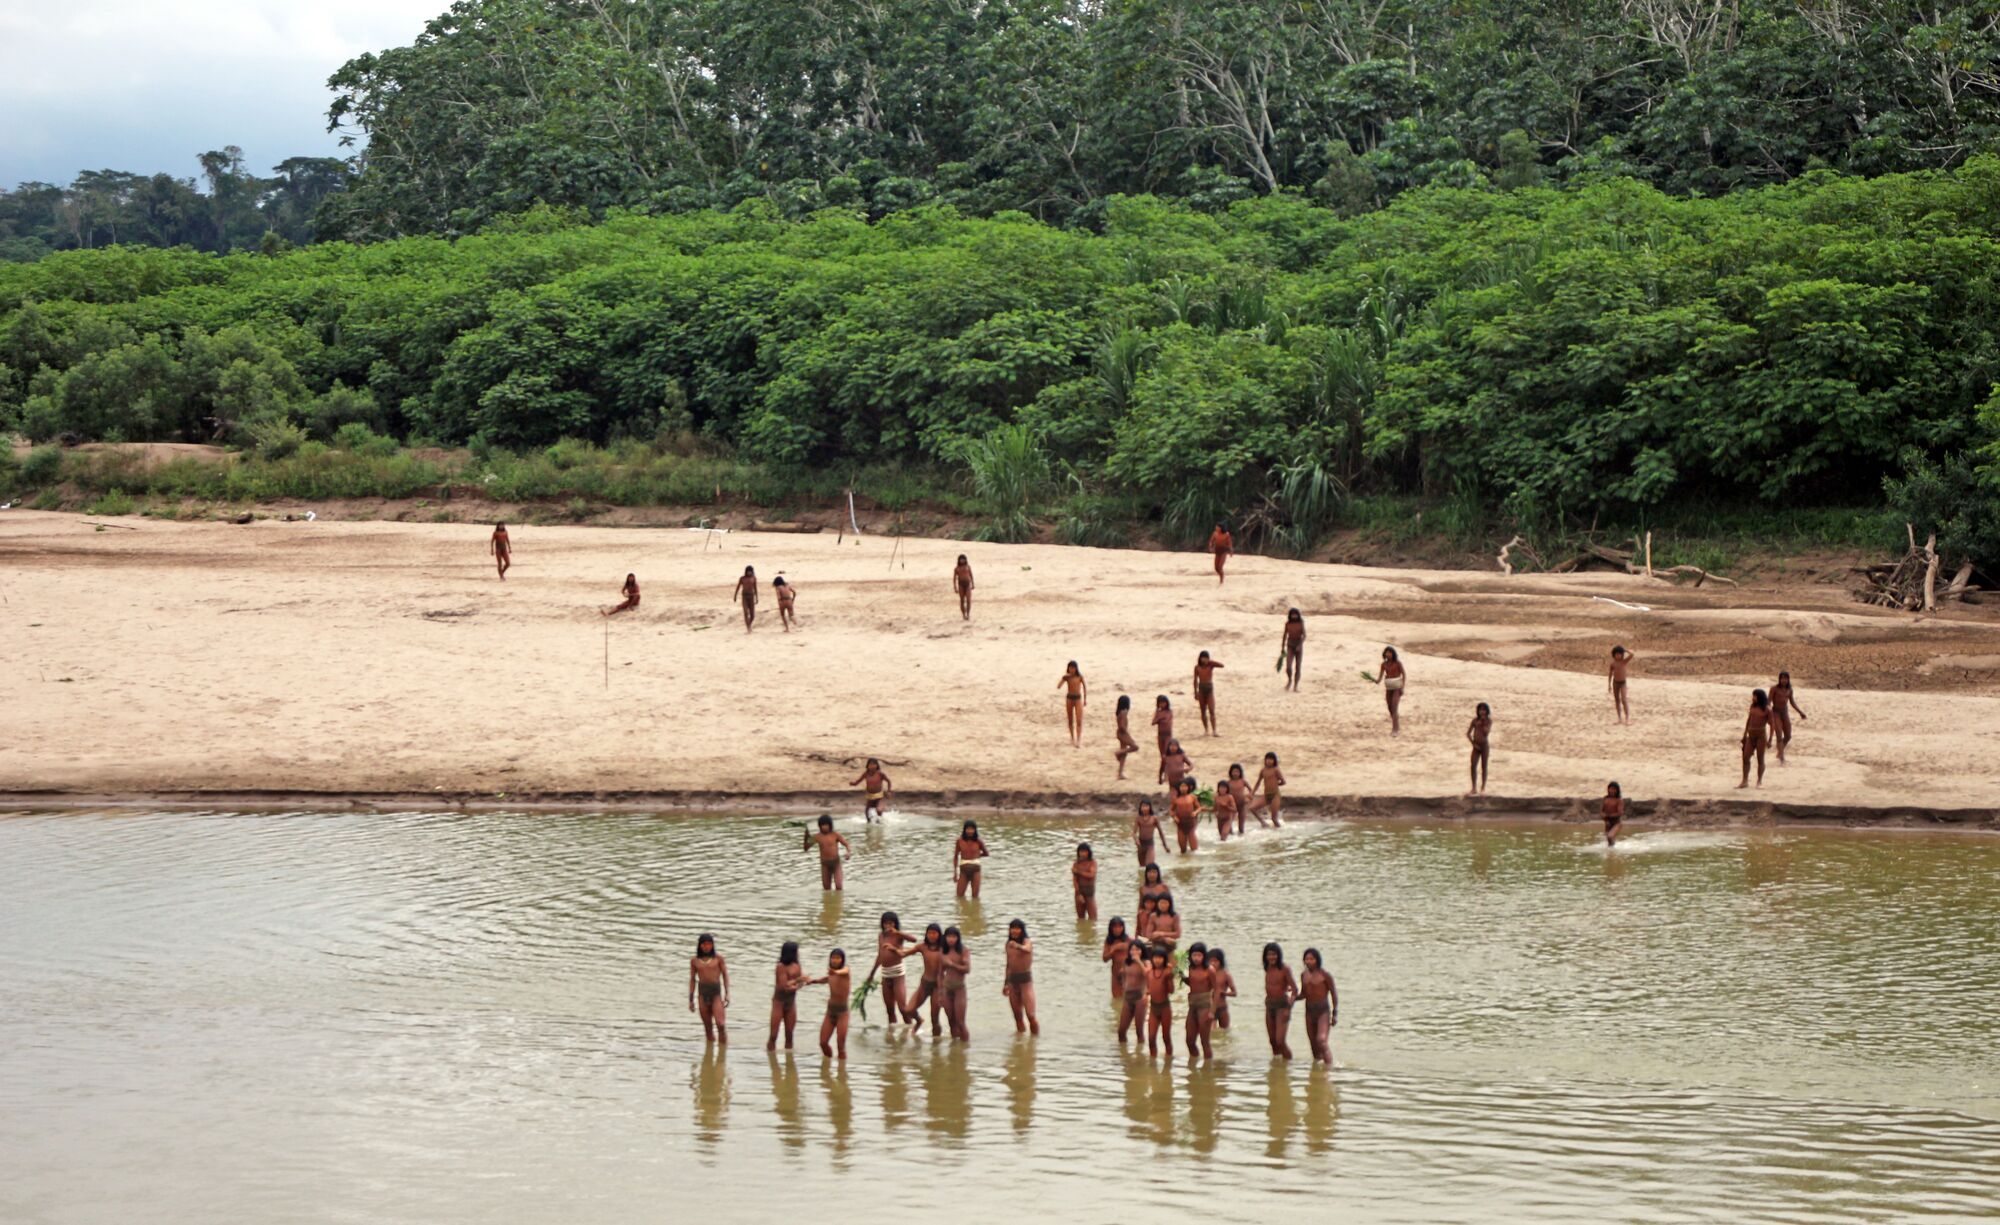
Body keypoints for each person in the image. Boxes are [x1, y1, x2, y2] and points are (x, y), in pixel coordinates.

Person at [865, 911, 922, 1027]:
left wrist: (897, 932)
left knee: (902, 1008)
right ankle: (892, 1033)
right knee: (890, 1009)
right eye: (886, 924)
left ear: (895, 924)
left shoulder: (898, 935)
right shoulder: (881, 936)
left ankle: (911, 1028)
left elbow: (913, 940)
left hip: (898, 974)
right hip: (885, 974)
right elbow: (880, 955)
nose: (888, 927)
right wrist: (872, 973)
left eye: (891, 924)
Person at [767, 941, 813, 1051]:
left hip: (791, 1002)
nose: (798, 954)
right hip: (779, 1003)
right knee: (773, 1035)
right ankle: (771, 1057)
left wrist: (804, 981)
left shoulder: (797, 966)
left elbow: (798, 983)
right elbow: (784, 986)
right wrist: (798, 981)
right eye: (797, 952)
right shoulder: (781, 967)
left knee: (789, 1034)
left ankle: (789, 1061)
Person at [905, 923, 946, 1037]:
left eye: (935, 933)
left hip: (938, 986)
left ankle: (935, 1046)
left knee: (934, 1018)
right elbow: (905, 953)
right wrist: (894, 950)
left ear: (939, 935)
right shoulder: (923, 947)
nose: (932, 936)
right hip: (925, 984)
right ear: (926, 934)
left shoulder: (944, 949)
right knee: (909, 1010)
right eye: (930, 933)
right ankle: (919, 1020)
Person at [1299, 948, 1338, 1065]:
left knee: (1321, 1040)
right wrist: (1291, 999)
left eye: (1311, 959)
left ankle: (1330, 1067)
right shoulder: (1303, 975)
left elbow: (1333, 994)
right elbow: (1303, 994)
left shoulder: (1325, 975)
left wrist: (1334, 1014)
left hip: (1323, 1012)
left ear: (1317, 960)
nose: (1309, 961)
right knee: (1313, 1046)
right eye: (1307, 959)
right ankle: (1317, 1074)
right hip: (1309, 1012)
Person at [689, 933, 730, 1044]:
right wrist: (691, 999)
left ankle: (723, 1051)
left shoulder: (718, 958)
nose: (706, 947)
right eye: (704, 944)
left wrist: (727, 994)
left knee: (720, 1024)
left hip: (716, 994)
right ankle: (710, 1055)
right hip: (702, 994)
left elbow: (725, 975)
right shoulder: (695, 961)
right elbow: (692, 979)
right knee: (708, 1027)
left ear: (712, 945)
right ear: (700, 945)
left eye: (709, 944)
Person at [1002, 919, 1039, 1035]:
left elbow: (1027, 949)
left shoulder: (1026, 941)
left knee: (1031, 1015)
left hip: (1025, 982)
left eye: (1017, 928)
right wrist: (1006, 983)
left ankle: (1034, 1042)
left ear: (1022, 930)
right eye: (1012, 928)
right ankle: (1020, 1042)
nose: (1014, 931)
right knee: (1017, 1016)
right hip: (1013, 982)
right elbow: (1008, 965)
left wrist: (1017, 946)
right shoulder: (1008, 945)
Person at [1263, 943, 1298, 1060]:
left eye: (1274, 954)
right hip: (1269, 1005)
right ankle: (1277, 1065)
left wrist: (1289, 1008)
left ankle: (1289, 1063)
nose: (1271, 957)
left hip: (1282, 1006)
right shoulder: (1267, 967)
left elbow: (1295, 989)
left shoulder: (1285, 969)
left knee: (1280, 1040)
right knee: (1272, 1040)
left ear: (1279, 956)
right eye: (1269, 955)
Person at [1184, 943, 1218, 1061]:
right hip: (1192, 1005)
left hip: (1205, 1006)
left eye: (1199, 955)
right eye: (1194, 955)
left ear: (1204, 956)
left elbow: (1217, 991)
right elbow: (1192, 983)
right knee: (1189, 1040)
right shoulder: (1189, 968)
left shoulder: (1209, 970)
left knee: (1204, 1041)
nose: (1197, 958)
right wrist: (1181, 975)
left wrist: (1212, 1012)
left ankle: (1208, 1071)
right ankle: (1194, 1063)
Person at [819, 948, 853, 1059]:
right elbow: (825, 979)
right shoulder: (830, 974)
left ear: (842, 960)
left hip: (842, 1014)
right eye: (833, 958)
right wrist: (811, 981)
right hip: (830, 1013)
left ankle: (842, 1072)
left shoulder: (845, 971)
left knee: (840, 1046)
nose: (834, 960)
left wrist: (836, 972)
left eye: (838, 958)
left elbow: (844, 971)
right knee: (823, 1043)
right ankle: (827, 1063)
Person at [939, 926, 971, 1041]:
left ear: (958, 938)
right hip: (947, 988)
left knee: (960, 1022)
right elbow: (940, 973)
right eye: (949, 936)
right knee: (951, 1021)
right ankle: (955, 1050)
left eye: (954, 936)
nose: (951, 939)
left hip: (959, 989)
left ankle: (965, 1048)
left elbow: (967, 969)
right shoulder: (943, 951)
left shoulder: (963, 951)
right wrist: (940, 993)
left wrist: (952, 964)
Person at [803, 814, 851, 891]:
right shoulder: (817, 837)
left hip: (836, 863)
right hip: (825, 864)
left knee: (839, 886)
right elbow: (806, 848)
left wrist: (848, 852)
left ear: (830, 825)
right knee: (826, 888)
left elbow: (846, 844)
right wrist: (806, 838)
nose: (824, 827)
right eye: (822, 825)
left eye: (826, 825)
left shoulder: (835, 835)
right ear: (819, 826)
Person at [1145, 944, 1177, 1057]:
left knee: (1166, 1037)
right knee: (1151, 1038)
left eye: (1160, 958)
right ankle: (1152, 1062)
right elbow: (1148, 989)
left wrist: (1169, 978)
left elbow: (1171, 991)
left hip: (1164, 1008)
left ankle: (1169, 1061)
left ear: (1164, 959)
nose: (1157, 960)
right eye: (1155, 957)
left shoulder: (1166, 973)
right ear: (1152, 958)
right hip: (1153, 1008)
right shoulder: (1149, 972)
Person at [1771, 671, 1807, 763]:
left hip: (1784, 712)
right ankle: (1782, 757)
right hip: (1776, 713)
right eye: (1782, 678)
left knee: (1788, 736)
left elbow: (1792, 702)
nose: (1784, 680)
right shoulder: (1774, 689)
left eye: (1786, 679)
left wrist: (1800, 712)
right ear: (1779, 679)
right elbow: (1768, 701)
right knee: (1779, 735)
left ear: (1788, 679)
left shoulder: (1789, 690)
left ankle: (1780, 750)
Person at [1117, 941, 1149, 1044]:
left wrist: (1139, 961)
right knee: (1121, 1032)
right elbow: (1122, 975)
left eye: (1137, 949)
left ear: (1142, 951)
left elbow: (1147, 974)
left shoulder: (1146, 962)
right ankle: (1123, 1056)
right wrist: (1123, 984)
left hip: (1140, 998)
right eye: (1132, 949)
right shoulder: (1127, 962)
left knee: (1139, 1032)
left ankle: (1140, 1056)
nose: (1134, 952)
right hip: (1128, 997)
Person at [1740, 688, 1771, 789]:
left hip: (1761, 736)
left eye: (1755, 696)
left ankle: (1759, 781)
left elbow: (1772, 725)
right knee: (1745, 757)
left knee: (1760, 759)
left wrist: (1770, 740)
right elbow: (1749, 720)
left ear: (1760, 697)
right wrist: (1744, 734)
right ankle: (1745, 780)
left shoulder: (1767, 709)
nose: (1753, 698)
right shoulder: (1752, 707)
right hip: (1751, 735)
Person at [954, 820, 990, 900]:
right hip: (963, 871)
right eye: (968, 829)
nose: (970, 831)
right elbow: (956, 857)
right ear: (964, 830)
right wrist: (955, 873)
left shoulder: (978, 841)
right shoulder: (959, 841)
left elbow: (986, 853)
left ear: (975, 830)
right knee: (959, 897)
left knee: (975, 897)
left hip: (976, 871)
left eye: (972, 829)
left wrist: (977, 856)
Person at [1193, 651, 1225, 736]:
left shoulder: (1210, 665)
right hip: (1201, 689)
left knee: (1212, 710)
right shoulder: (1197, 667)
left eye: (1207, 658)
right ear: (1200, 658)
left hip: (1209, 688)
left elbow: (1222, 665)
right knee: (1203, 711)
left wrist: (1211, 662)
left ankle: (1214, 730)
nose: (1205, 660)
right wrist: (1195, 692)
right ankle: (1206, 730)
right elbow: (1195, 680)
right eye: (1204, 658)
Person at [1249, 752, 1286, 825]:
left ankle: (1278, 831)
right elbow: (1258, 782)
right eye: (1267, 759)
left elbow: (1283, 782)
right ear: (1265, 760)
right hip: (1266, 795)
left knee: (1274, 819)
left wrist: (1276, 784)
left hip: (1275, 795)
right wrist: (1252, 793)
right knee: (1252, 808)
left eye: (1271, 759)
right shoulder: (1263, 770)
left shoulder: (1276, 770)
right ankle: (1263, 822)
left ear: (1274, 761)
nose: (1269, 761)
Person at [1057, 661, 1088, 748]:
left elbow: (1085, 688)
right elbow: (1058, 686)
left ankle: (1078, 740)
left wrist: (1085, 699)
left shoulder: (1080, 677)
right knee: (1070, 719)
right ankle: (1072, 738)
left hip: (1078, 699)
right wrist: (1064, 678)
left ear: (1076, 668)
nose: (1072, 670)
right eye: (1070, 668)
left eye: (1073, 668)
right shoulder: (1067, 677)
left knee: (1079, 720)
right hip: (1069, 699)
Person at [1102, 917, 1133, 1000]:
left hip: (1128, 973)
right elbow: (1105, 959)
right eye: (1115, 927)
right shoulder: (1109, 941)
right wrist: (1114, 949)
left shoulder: (1128, 940)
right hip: (1115, 974)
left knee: (1128, 1000)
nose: (1118, 929)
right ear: (1111, 928)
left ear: (1123, 928)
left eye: (1120, 927)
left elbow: (1137, 955)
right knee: (1116, 1000)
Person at [1378, 646, 1406, 735]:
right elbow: (1379, 678)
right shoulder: (1384, 664)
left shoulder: (1398, 663)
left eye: (1390, 652)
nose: (1388, 654)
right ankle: (1396, 723)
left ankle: (1395, 729)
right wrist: (1373, 680)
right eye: (1387, 652)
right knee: (1390, 707)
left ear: (1393, 654)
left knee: (1394, 706)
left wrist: (1402, 686)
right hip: (1389, 688)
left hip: (1397, 687)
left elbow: (1404, 674)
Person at [1170, 778, 1202, 854]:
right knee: (1183, 851)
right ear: (1179, 788)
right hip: (1180, 825)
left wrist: (1195, 812)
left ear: (1188, 788)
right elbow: (1171, 810)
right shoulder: (1176, 799)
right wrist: (1174, 817)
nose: (1183, 788)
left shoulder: (1192, 797)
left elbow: (1199, 807)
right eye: (1181, 787)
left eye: (1185, 786)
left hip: (1190, 824)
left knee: (1195, 851)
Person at [1466, 701, 1492, 795]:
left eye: (1484, 710)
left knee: (1484, 766)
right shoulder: (1475, 721)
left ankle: (1483, 788)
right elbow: (1468, 734)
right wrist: (1473, 744)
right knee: (1473, 765)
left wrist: (1483, 723)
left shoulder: (1488, 721)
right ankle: (1474, 788)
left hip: (1484, 745)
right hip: (1476, 745)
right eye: (1480, 710)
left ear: (1487, 711)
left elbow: (1486, 733)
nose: (1482, 712)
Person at [1137, 863, 1171, 934]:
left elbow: (1169, 904)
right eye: (1149, 872)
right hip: (1147, 916)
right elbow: (1141, 905)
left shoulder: (1164, 887)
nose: (1152, 875)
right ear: (1146, 874)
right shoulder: (1143, 888)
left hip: (1160, 915)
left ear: (1158, 874)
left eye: (1154, 872)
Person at [1210, 947, 1237, 1031]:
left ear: (1220, 961)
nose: (1213, 963)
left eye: (1215, 961)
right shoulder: (1207, 973)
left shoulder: (1226, 975)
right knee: (1211, 1033)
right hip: (1210, 1008)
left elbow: (1234, 993)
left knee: (1225, 1032)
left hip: (1222, 1008)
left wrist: (1224, 993)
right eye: (1211, 961)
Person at [1114, 695, 1140, 780]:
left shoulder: (1119, 712)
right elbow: (1122, 726)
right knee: (1135, 747)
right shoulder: (1124, 712)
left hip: (1120, 733)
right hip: (1122, 733)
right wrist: (1127, 733)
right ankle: (1118, 753)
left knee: (1124, 754)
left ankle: (1120, 773)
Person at [1279, 609, 1305, 691]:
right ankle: (1290, 680)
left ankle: (1295, 685)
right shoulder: (1288, 624)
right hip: (1290, 645)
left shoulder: (1301, 623)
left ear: (1298, 615)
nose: (1294, 616)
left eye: (1295, 614)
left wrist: (1300, 645)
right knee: (1288, 666)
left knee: (1298, 666)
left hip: (1298, 645)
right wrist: (1282, 647)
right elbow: (1285, 635)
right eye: (1292, 614)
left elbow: (1304, 635)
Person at [1609, 646, 1636, 724]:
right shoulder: (1613, 664)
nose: (1618, 656)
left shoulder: (1624, 661)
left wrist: (1625, 650)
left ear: (1622, 654)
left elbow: (1632, 654)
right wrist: (1609, 684)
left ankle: (1627, 718)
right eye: (1616, 654)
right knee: (1617, 700)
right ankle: (1619, 718)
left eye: (1620, 654)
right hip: (1615, 683)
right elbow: (1610, 674)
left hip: (1623, 683)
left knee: (1624, 700)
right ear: (1614, 655)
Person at [1072, 843, 1098, 920]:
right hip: (1079, 891)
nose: (1082, 854)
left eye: (1084, 851)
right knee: (1080, 918)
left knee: (1093, 917)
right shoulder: (1076, 864)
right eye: (1081, 852)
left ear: (1088, 852)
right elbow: (1074, 880)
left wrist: (1079, 872)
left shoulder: (1092, 863)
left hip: (1089, 891)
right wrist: (1078, 893)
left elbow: (1091, 875)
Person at [1228, 763, 1256, 832]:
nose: (1235, 773)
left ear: (1240, 773)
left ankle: (1241, 836)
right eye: (1234, 771)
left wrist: (1249, 798)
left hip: (1242, 804)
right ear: (1230, 772)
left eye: (1237, 772)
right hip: (1232, 806)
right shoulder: (1228, 783)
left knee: (1241, 826)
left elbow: (1251, 791)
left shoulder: (1243, 781)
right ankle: (1230, 836)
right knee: (1229, 823)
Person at [1133, 800, 1162, 868]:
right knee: (1142, 868)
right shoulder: (1138, 818)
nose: (1145, 808)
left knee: (1149, 866)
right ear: (1140, 808)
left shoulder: (1154, 818)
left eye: (1146, 806)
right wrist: (1136, 840)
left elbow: (1160, 832)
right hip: (1141, 845)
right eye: (1143, 806)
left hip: (1150, 844)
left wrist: (1165, 845)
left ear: (1150, 807)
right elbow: (1134, 833)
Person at [732, 565, 758, 632]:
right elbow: (738, 587)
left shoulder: (754, 578)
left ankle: (749, 625)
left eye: (750, 572)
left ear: (752, 572)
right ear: (746, 572)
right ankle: (748, 628)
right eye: (748, 572)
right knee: (746, 612)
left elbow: (755, 588)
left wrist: (757, 597)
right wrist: (735, 596)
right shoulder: (742, 578)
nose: (749, 573)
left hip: (751, 596)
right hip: (744, 596)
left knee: (752, 615)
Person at [1600, 781, 1626, 847]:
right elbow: (1601, 811)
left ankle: (1612, 852)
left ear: (1617, 790)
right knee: (1609, 841)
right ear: (1608, 789)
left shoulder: (1619, 800)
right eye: (1611, 789)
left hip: (1617, 823)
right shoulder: (1605, 799)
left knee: (1610, 836)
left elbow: (1620, 813)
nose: (1612, 791)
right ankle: (1612, 855)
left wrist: (1608, 815)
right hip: (1608, 823)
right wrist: (1605, 820)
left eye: (1614, 789)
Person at [1150, 695, 1174, 760]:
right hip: (1160, 735)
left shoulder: (1169, 711)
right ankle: (1163, 769)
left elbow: (1166, 721)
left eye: (1163, 703)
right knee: (1162, 755)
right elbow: (1153, 722)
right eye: (1160, 703)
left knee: (1166, 753)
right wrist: (1160, 718)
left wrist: (1159, 719)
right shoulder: (1158, 712)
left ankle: (1166, 768)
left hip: (1168, 735)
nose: (1162, 704)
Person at [1214, 778, 1237, 843]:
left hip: (1227, 819)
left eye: (1224, 788)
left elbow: (1235, 809)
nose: (1222, 789)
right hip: (1219, 820)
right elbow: (1214, 809)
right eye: (1221, 788)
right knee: (1221, 837)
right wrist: (1203, 809)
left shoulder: (1229, 797)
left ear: (1227, 789)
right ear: (1218, 788)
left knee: (1223, 838)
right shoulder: (1216, 797)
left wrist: (1226, 806)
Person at [953, 554, 975, 620]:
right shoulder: (957, 568)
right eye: (961, 559)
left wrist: (973, 584)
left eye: (963, 559)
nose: (962, 560)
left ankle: (968, 614)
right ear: (959, 560)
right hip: (961, 585)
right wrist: (955, 587)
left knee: (968, 600)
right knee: (962, 600)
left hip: (968, 584)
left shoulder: (968, 567)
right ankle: (963, 614)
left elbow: (971, 575)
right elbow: (954, 578)